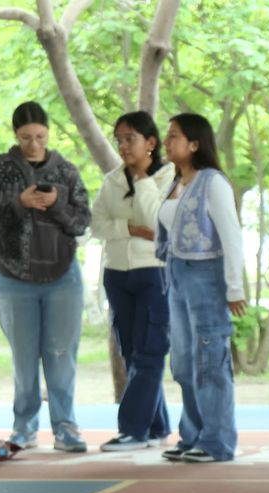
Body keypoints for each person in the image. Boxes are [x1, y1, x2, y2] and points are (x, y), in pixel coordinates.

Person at [0, 100, 91, 452]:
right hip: (13, 277)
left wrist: (56, 205)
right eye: (26, 137)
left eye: (40, 136)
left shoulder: (66, 171)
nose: (34, 144)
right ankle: (23, 427)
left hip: (62, 276)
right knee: (24, 357)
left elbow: (82, 222)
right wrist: (19, 204)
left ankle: (66, 427)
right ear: (15, 135)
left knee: (61, 354)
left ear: (48, 133)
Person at [154, 112, 246, 463]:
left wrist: (234, 288)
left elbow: (231, 235)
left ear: (194, 144)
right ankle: (192, 435)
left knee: (209, 358)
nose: (166, 142)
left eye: (173, 136)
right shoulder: (175, 181)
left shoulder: (213, 182)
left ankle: (216, 441)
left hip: (206, 274)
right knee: (183, 360)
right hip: (176, 273)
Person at [91, 111, 175, 452]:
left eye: (131, 139)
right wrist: (129, 228)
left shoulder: (169, 176)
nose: (123, 146)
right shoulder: (112, 179)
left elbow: (156, 222)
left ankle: (132, 430)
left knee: (150, 350)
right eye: (119, 140)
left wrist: (141, 180)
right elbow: (97, 224)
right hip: (116, 273)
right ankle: (156, 426)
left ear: (150, 142)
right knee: (130, 351)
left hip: (154, 272)